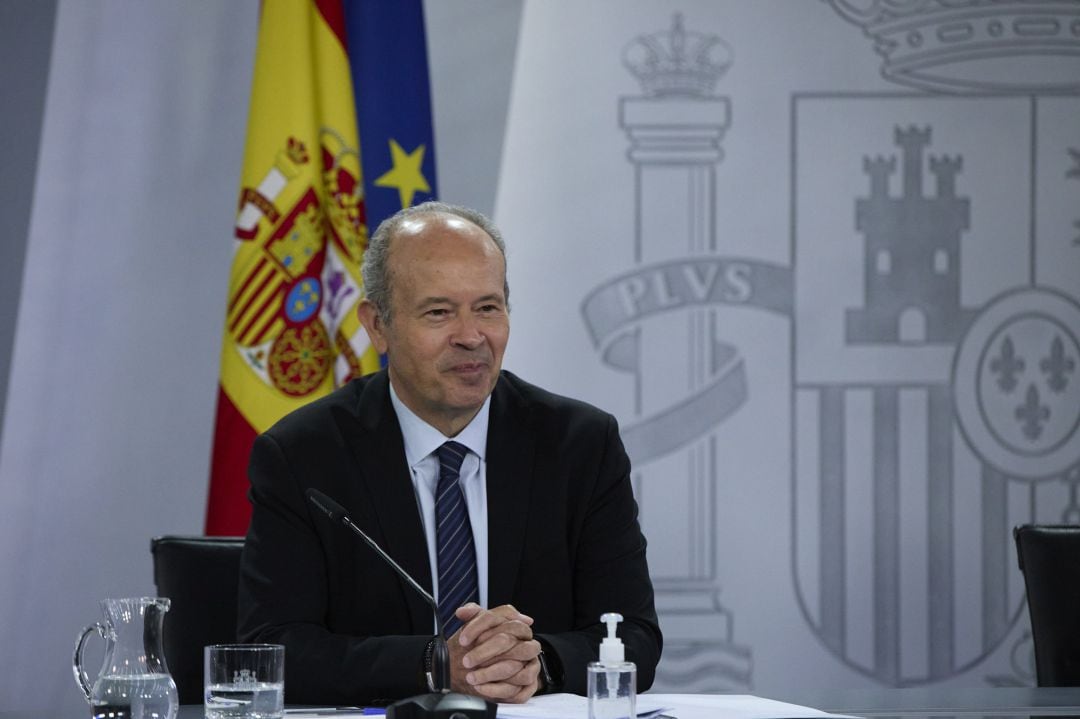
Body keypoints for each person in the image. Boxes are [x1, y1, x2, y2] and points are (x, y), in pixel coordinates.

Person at [237, 201, 661, 705]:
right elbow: (271, 649)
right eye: (439, 312)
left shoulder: (580, 444)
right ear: (377, 326)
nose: (471, 337)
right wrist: (435, 664)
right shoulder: (304, 456)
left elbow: (633, 636)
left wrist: (539, 662)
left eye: (488, 307)